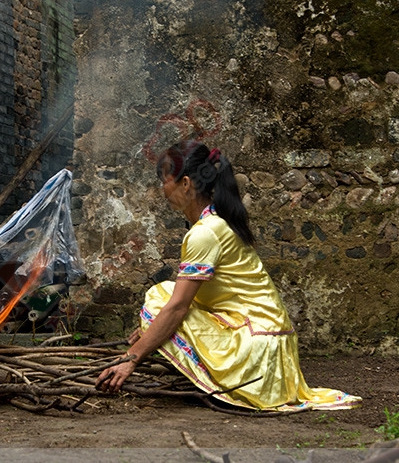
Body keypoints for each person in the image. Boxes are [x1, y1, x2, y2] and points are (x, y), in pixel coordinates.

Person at [96, 140, 361, 411]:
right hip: (270, 345)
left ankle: (227, 383)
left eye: (165, 181)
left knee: (159, 298)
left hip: (256, 353)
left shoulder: (205, 233)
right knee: (165, 295)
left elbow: (178, 307)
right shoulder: (219, 222)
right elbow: (201, 300)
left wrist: (132, 357)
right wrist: (148, 331)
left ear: (185, 183)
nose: (162, 190)